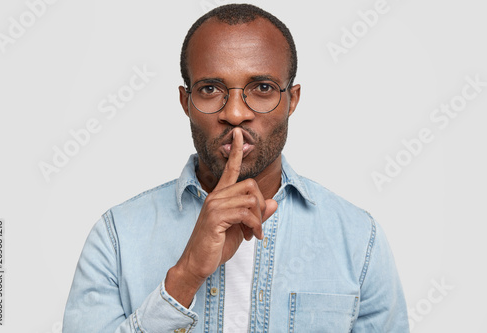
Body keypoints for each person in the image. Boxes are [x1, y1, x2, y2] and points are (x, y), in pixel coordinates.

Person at [63, 4, 409, 332]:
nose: (236, 112)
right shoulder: (117, 237)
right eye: (210, 89)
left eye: (262, 88)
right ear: (186, 103)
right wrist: (185, 277)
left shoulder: (358, 238)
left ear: (293, 100)